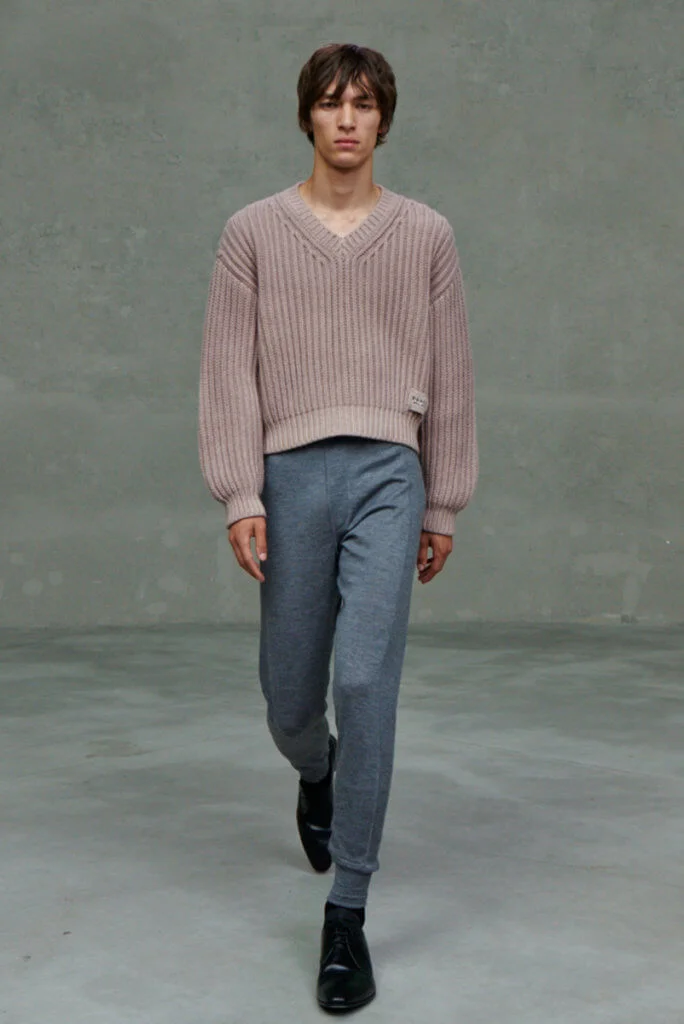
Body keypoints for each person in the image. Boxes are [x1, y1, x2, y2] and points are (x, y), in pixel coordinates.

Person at [198, 42, 478, 1015]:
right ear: (307, 117)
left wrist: (443, 499)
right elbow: (228, 367)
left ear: (384, 119)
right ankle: (314, 772)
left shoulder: (427, 234)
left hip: (388, 473)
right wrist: (241, 492)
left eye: (363, 103)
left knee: (364, 681)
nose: (347, 118)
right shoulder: (252, 232)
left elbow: (450, 370)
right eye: (330, 102)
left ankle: (347, 909)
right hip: (289, 476)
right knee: (289, 697)